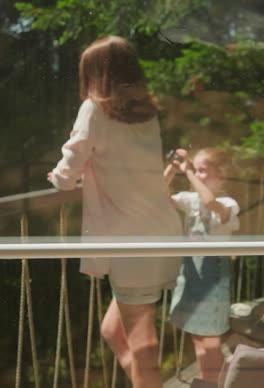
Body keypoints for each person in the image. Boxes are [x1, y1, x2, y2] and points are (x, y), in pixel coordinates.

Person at [47, 36, 182, 388]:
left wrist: (60, 179)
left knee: (142, 345)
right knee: (113, 331)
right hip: (160, 231)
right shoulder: (146, 113)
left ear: (95, 73)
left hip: (132, 241)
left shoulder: (95, 108)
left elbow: (73, 161)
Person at [164, 147, 240, 382]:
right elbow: (156, 194)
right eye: (196, 170)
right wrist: (172, 168)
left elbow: (210, 202)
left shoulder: (228, 203)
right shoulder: (190, 199)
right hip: (191, 276)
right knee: (197, 335)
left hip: (212, 281)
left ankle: (211, 382)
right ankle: (211, 382)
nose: (198, 174)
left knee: (211, 340)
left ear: (221, 176)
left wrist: (188, 173)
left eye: (203, 171)